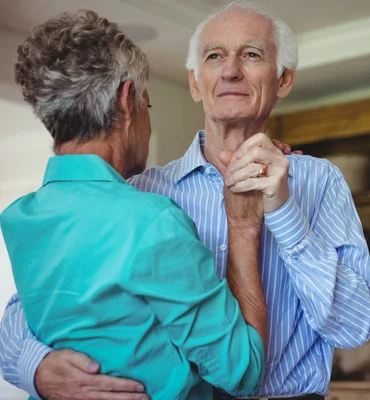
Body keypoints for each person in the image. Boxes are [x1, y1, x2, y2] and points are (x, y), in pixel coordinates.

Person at [1, 1, 370, 399]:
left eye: (251, 54)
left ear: (284, 80)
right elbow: (25, 311)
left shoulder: (320, 182)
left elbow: (354, 328)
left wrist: (286, 214)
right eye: (214, 56)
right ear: (195, 83)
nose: (231, 69)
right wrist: (37, 368)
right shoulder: (140, 193)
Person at [0, 9, 269, 400]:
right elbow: (243, 372)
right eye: (148, 104)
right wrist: (243, 230)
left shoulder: (20, 218)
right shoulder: (152, 219)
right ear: (127, 102)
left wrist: (34, 368)